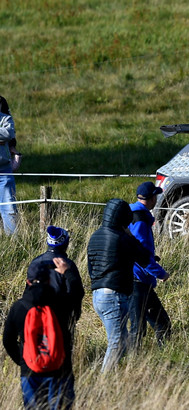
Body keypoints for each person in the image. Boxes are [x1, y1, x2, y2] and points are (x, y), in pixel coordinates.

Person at [3, 258, 77, 409]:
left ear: (27, 281)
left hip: (30, 370)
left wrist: (23, 360)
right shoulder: (61, 303)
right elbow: (77, 293)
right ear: (49, 280)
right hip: (59, 368)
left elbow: (7, 341)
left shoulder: (18, 307)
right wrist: (67, 272)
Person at [87, 198, 150, 372]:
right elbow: (144, 258)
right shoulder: (122, 238)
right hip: (114, 295)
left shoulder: (95, 236)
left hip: (98, 295)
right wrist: (130, 235)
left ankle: (129, 372)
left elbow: (90, 269)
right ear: (123, 219)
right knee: (116, 343)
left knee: (124, 341)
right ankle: (103, 383)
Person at [128, 182, 171, 348]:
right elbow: (141, 253)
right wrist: (160, 273)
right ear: (152, 197)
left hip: (139, 280)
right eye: (156, 196)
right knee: (138, 329)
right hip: (137, 280)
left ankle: (164, 355)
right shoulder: (140, 220)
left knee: (162, 323)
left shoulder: (134, 215)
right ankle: (132, 365)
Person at [27, 226, 84, 336]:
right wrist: (75, 316)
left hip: (36, 314)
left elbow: (28, 290)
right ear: (65, 243)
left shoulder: (35, 263)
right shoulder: (67, 265)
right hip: (61, 317)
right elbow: (77, 292)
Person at [0, 97, 17, 234]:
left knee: (9, 207)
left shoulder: (5, 119)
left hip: (4, 170)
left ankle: (12, 241)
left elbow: (8, 134)